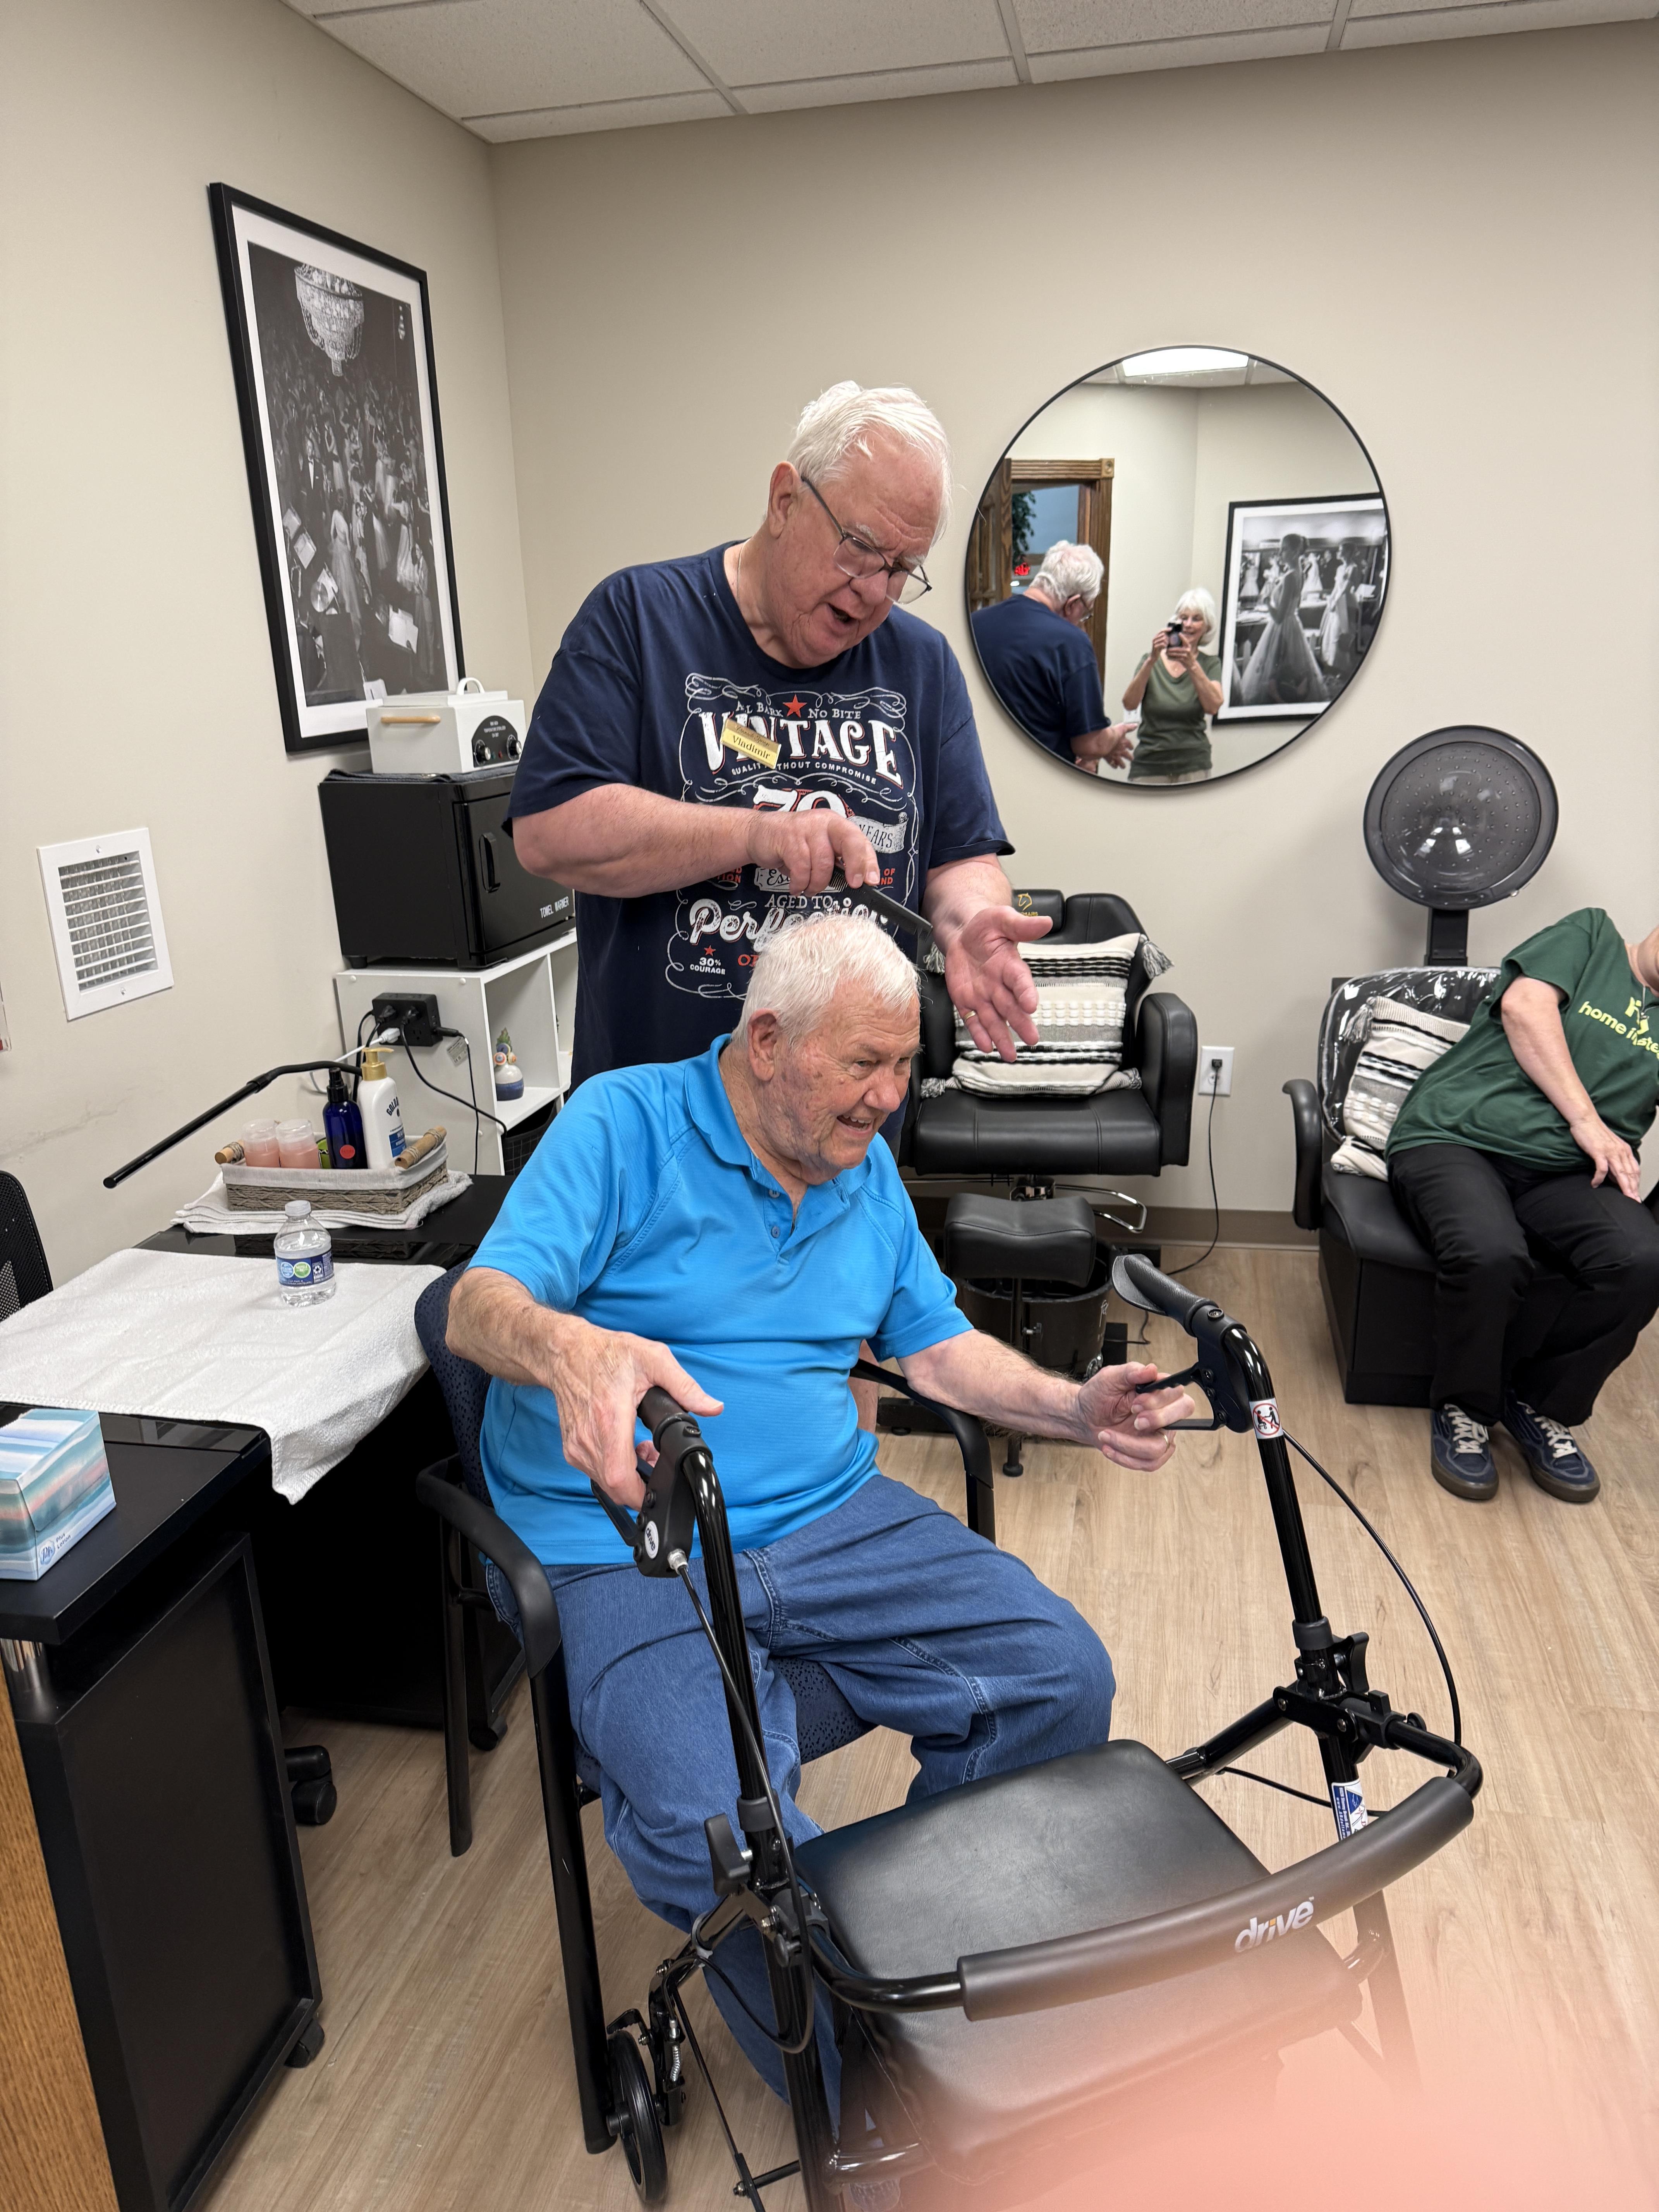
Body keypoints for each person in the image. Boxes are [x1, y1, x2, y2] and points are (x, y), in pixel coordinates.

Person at [447, 918, 1195, 2117]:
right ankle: (877, 2098)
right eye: (864, 1064)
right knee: (725, 1829)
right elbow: (478, 1305)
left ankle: (933, 1956)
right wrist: (572, 1349)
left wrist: (1071, 1406)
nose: (891, 1098)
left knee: (1060, 1672)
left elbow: (935, 1349)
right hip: (635, 1546)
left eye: (904, 1065)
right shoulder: (623, 1125)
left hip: (833, 1516)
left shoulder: (865, 1169)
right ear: (765, 1040)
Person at [506, 382, 1053, 1096]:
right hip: (657, 1124)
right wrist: (760, 835)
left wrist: (972, 918)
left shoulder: (923, 665)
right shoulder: (636, 619)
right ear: (785, 501)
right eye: (858, 550)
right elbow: (549, 831)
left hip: (844, 1129)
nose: (873, 593)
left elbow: (958, 858)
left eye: (899, 569)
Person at [1386, 907, 1659, 1503]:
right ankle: (1465, 1409)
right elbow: (1524, 1008)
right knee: (1491, 1252)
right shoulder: (1591, 936)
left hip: (1566, 1178)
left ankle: (1539, 1404)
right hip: (1456, 1139)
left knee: (1641, 1259)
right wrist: (1588, 1123)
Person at [969, 541, 1135, 775]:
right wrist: (1113, 737)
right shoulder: (1071, 643)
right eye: (1086, 613)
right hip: (1037, 781)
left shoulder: (977, 623)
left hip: (976, 770)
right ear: (1073, 604)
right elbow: (1090, 744)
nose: (1082, 620)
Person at [1120, 589, 1223, 785]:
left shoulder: (1210, 664)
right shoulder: (1151, 661)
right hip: (1149, 764)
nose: (1188, 625)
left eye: (1196, 619)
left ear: (1207, 626)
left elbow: (1214, 706)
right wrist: (1151, 659)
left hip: (1192, 764)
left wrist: (1192, 664)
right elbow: (1130, 703)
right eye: (1183, 618)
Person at [1236, 534, 1326, 709]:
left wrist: (1268, 602)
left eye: (1283, 549)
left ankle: (1277, 700)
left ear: (1293, 552)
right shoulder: (1298, 573)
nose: (1280, 553)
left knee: (1277, 667)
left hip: (1283, 627)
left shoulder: (1290, 577)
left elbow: (1279, 617)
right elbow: (1295, 606)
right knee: (1287, 666)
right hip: (1293, 623)